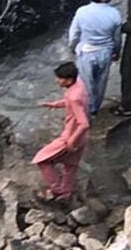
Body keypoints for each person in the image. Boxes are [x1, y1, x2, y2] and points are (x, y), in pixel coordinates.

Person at [32, 63, 89, 202]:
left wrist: (71, 141)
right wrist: (56, 104)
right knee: (70, 165)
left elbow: (84, 123)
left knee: (42, 160)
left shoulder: (74, 97)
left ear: (68, 80)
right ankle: (66, 192)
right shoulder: (79, 86)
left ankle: (56, 189)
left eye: (60, 78)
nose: (57, 81)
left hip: (71, 136)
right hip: (83, 138)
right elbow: (73, 101)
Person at [68, 0, 122, 116]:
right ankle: (94, 109)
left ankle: (84, 110)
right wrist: (117, 52)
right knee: (100, 83)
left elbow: (74, 34)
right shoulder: (114, 14)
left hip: (86, 52)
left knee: (85, 84)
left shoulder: (81, 12)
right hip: (105, 52)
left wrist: (72, 48)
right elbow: (117, 38)